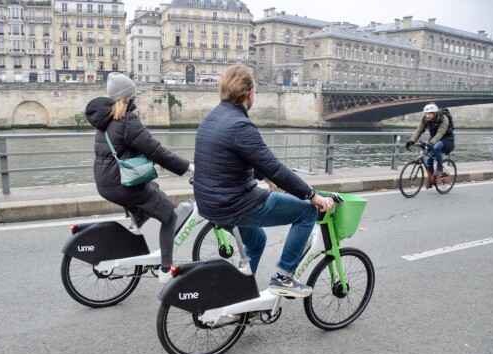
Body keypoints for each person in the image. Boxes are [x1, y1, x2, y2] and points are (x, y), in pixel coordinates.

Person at [193, 65, 334, 298]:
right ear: (249, 93)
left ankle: (237, 298)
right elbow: (275, 167)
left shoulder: (211, 118)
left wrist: (261, 175)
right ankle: (284, 277)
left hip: (210, 203)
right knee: (307, 212)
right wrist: (312, 195)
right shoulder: (240, 125)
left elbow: (230, 159)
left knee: (257, 243)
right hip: (233, 204)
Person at [85, 72, 194, 283]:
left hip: (105, 181)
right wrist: (188, 167)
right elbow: (156, 148)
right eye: (133, 95)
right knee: (169, 215)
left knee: (153, 187)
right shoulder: (126, 120)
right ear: (127, 98)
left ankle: (138, 223)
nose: (136, 98)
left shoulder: (106, 120)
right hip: (121, 183)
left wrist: (152, 158)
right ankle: (165, 269)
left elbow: (126, 147)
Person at [406, 103, 455, 180]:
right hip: (433, 138)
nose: (427, 115)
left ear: (435, 113)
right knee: (428, 158)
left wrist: (431, 143)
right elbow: (419, 130)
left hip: (446, 139)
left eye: (429, 114)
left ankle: (440, 170)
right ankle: (431, 177)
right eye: (426, 113)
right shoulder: (425, 119)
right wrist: (412, 141)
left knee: (436, 147)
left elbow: (440, 133)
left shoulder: (444, 118)